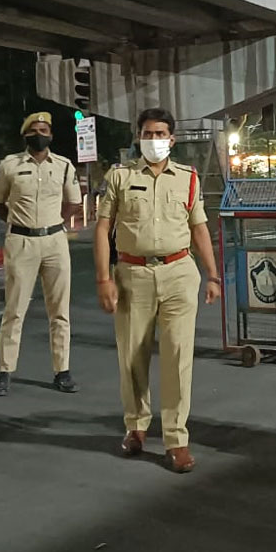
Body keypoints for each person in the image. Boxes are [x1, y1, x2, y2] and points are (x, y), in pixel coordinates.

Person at [93, 108, 221, 473]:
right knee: (132, 357)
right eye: (148, 134)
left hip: (179, 272)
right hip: (132, 274)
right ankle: (136, 427)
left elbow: (199, 229)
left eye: (161, 133)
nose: (154, 140)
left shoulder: (189, 178)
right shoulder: (119, 177)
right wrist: (104, 278)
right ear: (138, 137)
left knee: (178, 357)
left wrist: (212, 275)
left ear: (172, 139)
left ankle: (176, 440)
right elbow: (103, 229)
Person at [0, 112, 83, 397]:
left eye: (44, 129)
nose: (39, 134)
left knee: (60, 312)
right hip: (21, 242)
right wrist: (20, 223)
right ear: (25, 135)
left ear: (51, 135)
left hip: (54, 241)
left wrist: (56, 224)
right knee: (14, 311)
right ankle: (4, 372)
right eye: (34, 130)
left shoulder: (64, 166)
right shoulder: (10, 165)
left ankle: (62, 371)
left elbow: (73, 202)